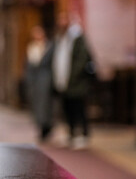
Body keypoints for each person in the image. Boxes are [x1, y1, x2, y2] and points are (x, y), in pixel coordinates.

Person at [51, 12, 94, 149]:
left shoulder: (77, 38)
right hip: (63, 81)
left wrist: (73, 76)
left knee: (79, 108)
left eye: (64, 20)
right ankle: (72, 133)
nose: (62, 23)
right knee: (67, 108)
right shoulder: (60, 39)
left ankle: (84, 135)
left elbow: (82, 59)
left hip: (76, 82)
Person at [26, 26, 53, 141]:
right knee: (37, 105)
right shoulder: (31, 48)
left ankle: (47, 127)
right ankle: (41, 127)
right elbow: (28, 66)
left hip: (46, 80)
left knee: (46, 105)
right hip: (35, 81)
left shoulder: (49, 47)